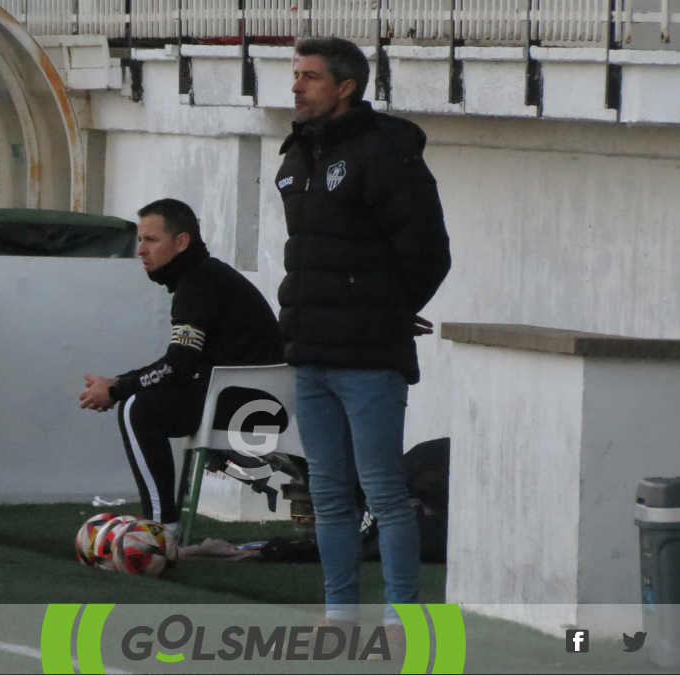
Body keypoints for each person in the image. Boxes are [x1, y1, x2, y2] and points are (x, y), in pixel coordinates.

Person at [275, 37, 451, 636]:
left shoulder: (386, 154)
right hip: (310, 352)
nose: (296, 86)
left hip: (370, 359)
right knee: (327, 495)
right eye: (296, 75)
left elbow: (428, 253)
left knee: (383, 493)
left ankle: (402, 615)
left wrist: (388, 311)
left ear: (346, 87)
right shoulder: (294, 153)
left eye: (310, 77)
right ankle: (340, 613)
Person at [79, 198, 283, 531]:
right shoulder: (201, 276)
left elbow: (178, 366)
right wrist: (120, 381)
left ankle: (161, 530)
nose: (140, 250)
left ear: (181, 242)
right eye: (140, 240)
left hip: (257, 406)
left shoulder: (198, 282)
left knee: (137, 408)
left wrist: (117, 389)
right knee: (138, 400)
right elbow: (182, 365)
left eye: (151, 240)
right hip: (248, 395)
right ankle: (163, 523)